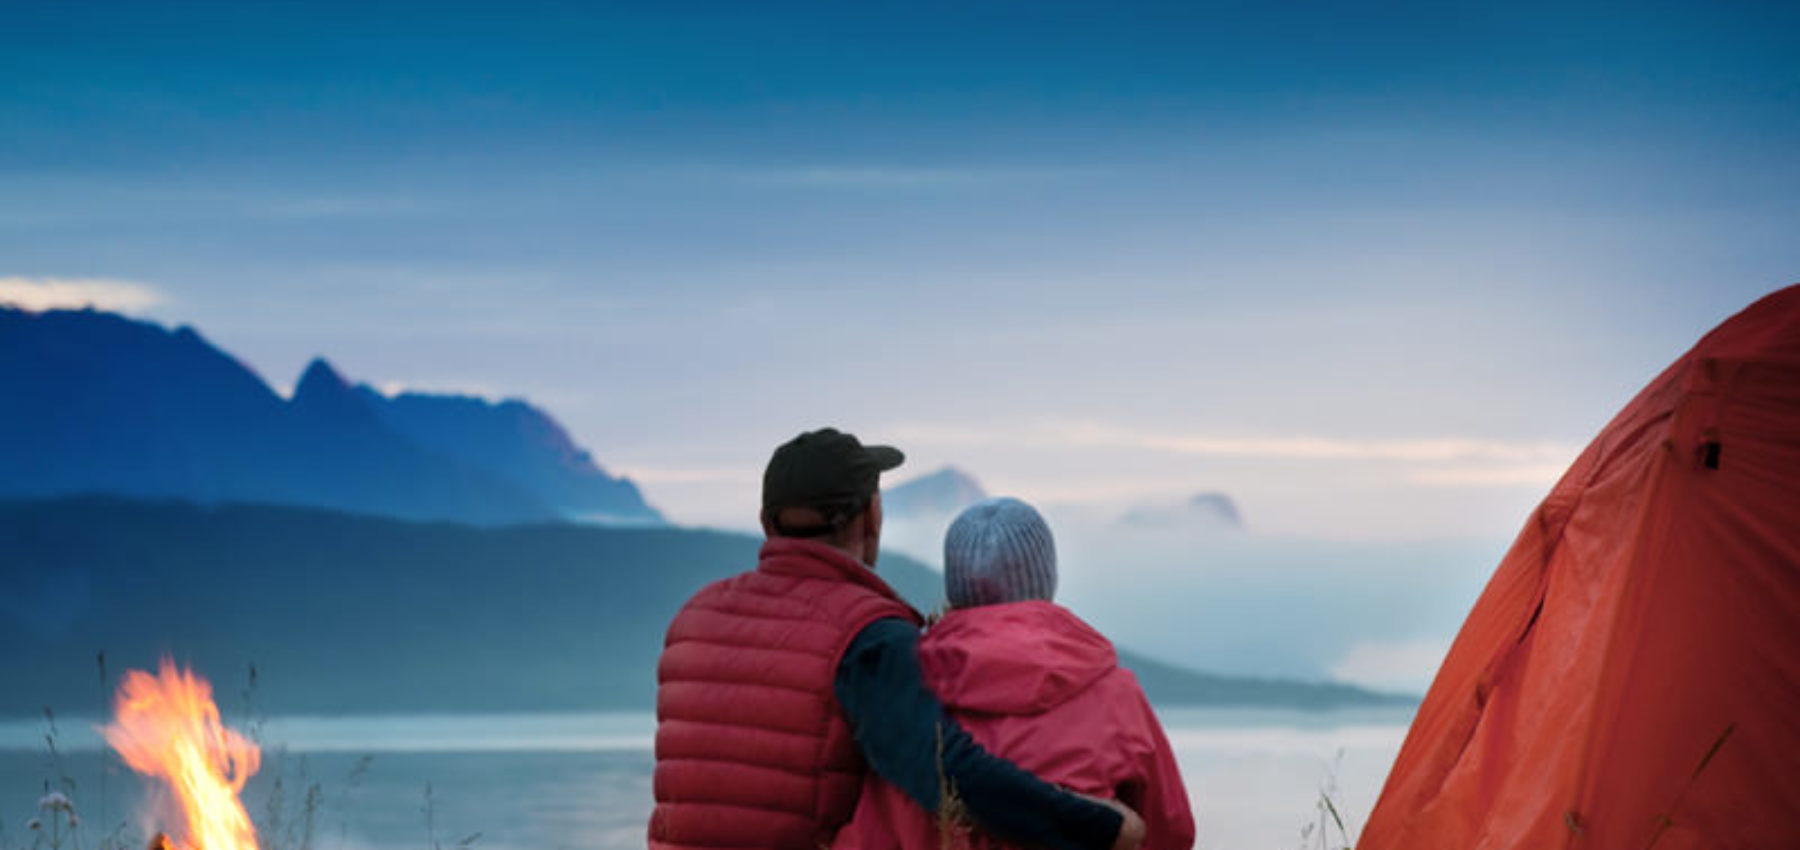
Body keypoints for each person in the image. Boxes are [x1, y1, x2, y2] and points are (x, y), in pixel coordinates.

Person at [650, 428, 1145, 850]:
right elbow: (948, 775)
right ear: (870, 517)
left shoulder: (694, 617)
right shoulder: (866, 635)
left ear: (766, 524)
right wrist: (1102, 826)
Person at [833, 497, 1196, 850]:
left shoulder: (906, 697)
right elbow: (1171, 829)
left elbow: (869, 835)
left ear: (955, 587)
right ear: (1047, 578)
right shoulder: (1117, 695)